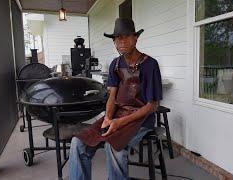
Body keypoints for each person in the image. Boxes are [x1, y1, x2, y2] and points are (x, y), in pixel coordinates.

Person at [69, 18, 163, 180]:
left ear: (135, 38)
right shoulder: (115, 64)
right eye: (117, 38)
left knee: (114, 147)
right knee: (77, 144)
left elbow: (152, 106)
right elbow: (112, 96)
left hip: (140, 119)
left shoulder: (150, 65)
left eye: (126, 36)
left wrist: (120, 123)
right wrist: (108, 118)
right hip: (117, 115)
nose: (121, 41)